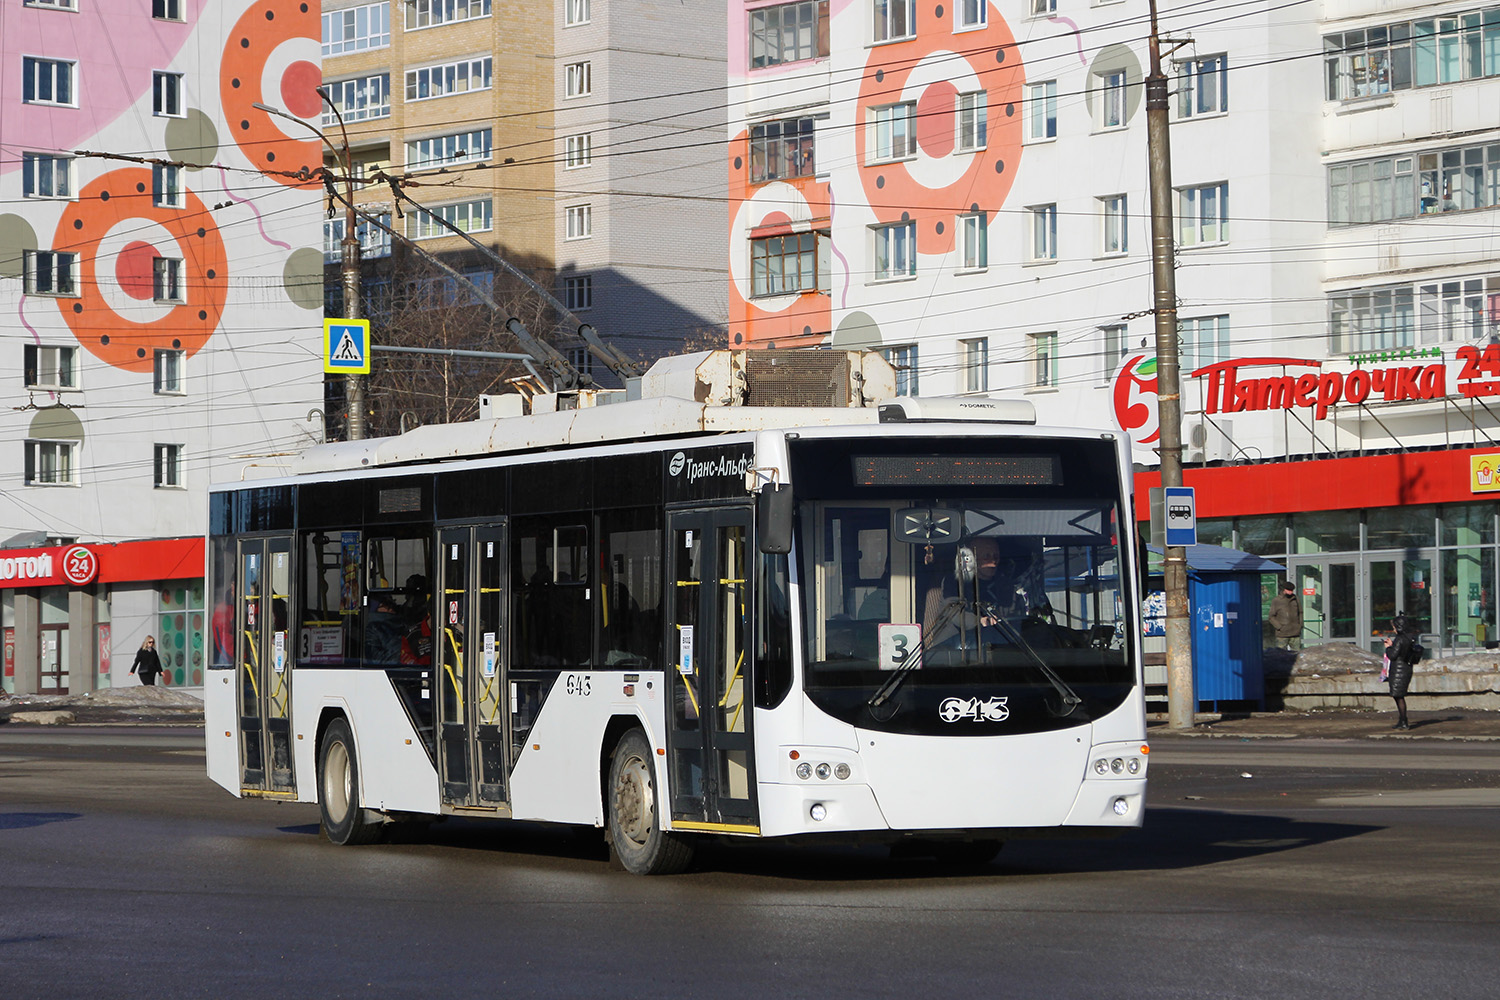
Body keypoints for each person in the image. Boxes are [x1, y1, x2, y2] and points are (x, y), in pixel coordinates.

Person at [1382, 613, 1421, 730]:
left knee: (1398, 696)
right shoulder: (1409, 637)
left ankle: (1403, 721)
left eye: (1394, 626)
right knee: (1399, 695)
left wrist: (1388, 647)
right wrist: (1393, 645)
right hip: (1406, 668)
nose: (1393, 629)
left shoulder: (1400, 639)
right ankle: (1402, 720)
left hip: (1399, 670)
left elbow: (1393, 655)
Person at [1268, 581, 1303, 651]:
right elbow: (1271, 617)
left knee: (1297, 653)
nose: (1291, 592)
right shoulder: (1277, 600)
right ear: (1284, 590)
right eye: (1289, 590)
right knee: (1281, 653)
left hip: (1295, 633)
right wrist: (1279, 627)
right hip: (1282, 634)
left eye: (1292, 590)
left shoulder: (1296, 599)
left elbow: (1300, 612)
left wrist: (1300, 625)